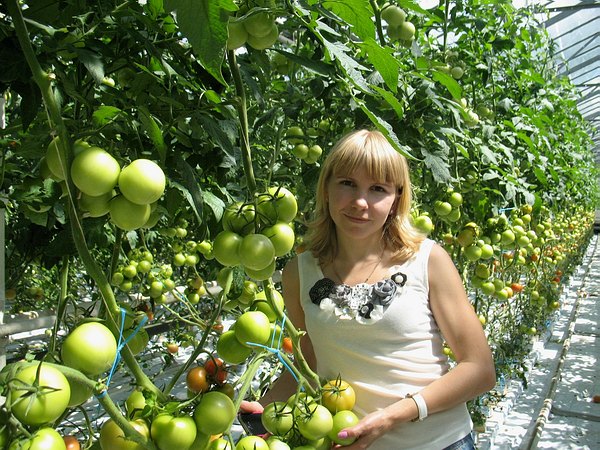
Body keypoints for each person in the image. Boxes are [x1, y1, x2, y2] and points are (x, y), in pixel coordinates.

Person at [242, 129, 496, 449]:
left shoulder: (427, 260)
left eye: (377, 189)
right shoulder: (299, 273)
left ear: (396, 199)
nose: (360, 202)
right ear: (326, 189)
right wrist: (264, 409)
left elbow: (480, 369)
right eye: (347, 183)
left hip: (440, 442)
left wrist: (394, 415)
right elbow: (309, 364)